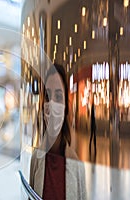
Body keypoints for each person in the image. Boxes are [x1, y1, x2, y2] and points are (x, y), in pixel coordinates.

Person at [29, 64, 86, 200]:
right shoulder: (36, 159)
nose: (52, 103)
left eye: (59, 96)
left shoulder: (77, 165)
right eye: (48, 96)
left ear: (66, 107)